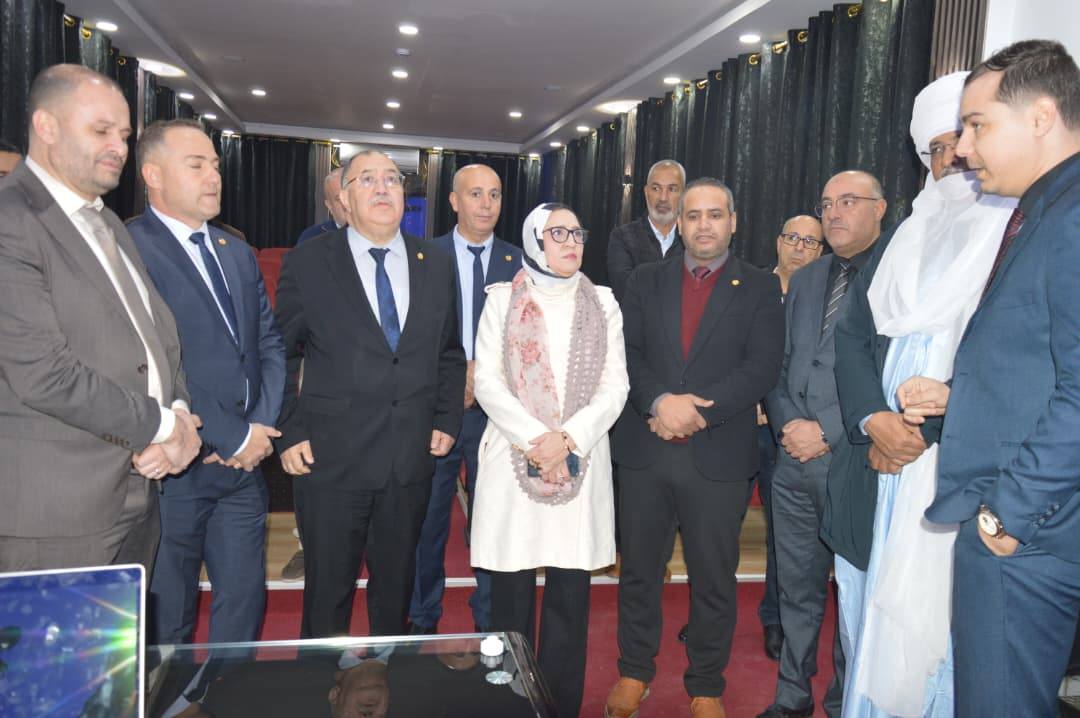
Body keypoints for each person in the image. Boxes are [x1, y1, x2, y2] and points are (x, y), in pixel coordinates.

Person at [896, 40, 1080, 718]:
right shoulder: (1050, 209)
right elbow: (1042, 365)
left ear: (1041, 116)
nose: (964, 149)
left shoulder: (1071, 215)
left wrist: (1007, 514)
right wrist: (958, 400)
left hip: (1031, 530)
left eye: (977, 125)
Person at [836, 72, 1016, 718]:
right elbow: (853, 336)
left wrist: (920, 432)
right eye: (935, 149)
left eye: (959, 142)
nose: (950, 160)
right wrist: (874, 419)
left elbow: (1010, 360)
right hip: (877, 466)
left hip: (957, 469)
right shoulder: (903, 236)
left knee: (942, 637)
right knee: (867, 622)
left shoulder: (1012, 235)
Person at [0, 64, 200, 573]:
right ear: (46, 126)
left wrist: (177, 410)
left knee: (124, 632)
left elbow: (158, 338)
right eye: (101, 131)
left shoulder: (106, 220)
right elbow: (44, 374)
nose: (119, 147)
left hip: (137, 488)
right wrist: (165, 426)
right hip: (54, 511)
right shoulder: (11, 220)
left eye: (125, 135)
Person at [606, 178, 785, 718]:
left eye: (715, 214)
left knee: (714, 577)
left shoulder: (759, 287)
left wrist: (696, 413)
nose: (704, 224)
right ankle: (634, 671)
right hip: (647, 446)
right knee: (639, 571)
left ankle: (706, 683)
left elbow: (761, 366)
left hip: (718, 454)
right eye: (693, 215)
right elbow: (626, 352)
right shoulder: (644, 279)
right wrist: (659, 403)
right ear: (679, 224)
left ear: (733, 222)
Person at [274, 150, 465, 639]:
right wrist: (289, 429)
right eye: (367, 180)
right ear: (344, 198)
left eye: (392, 180)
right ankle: (320, 680)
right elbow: (281, 353)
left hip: (409, 459)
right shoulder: (309, 262)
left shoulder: (435, 263)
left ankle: (387, 674)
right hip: (331, 459)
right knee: (327, 594)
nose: (382, 188)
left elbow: (449, 352)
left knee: (396, 590)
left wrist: (446, 418)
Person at [127, 118, 286, 645]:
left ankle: (224, 688)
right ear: (152, 174)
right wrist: (232, 436)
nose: (214, 177)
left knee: (243, 608)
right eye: (196, 165)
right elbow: (152, 364)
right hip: (174, 471)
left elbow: (268, 345)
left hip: (243, 469)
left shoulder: (235, 251)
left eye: (215, 165)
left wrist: (258, 428)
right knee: (167, 615)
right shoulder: (129, 250)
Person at [471, 202, 628, 718]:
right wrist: (541, 440)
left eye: (577, 233)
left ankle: (560, 706)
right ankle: (509, 705)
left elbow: (615, 387)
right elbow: (488, 383)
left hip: (582, 458)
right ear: (534, 240)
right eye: (557, 233)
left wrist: (568, 439)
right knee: (510, 596)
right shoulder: (502, 299)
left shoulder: (604, 303)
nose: (571, 243)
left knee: (569, 597)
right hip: (514, 457)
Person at [409, 164, 522, 635]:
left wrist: (484, 376)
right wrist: (456, 376)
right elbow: (411, 335)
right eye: (475, 194)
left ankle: (491, 622)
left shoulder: (521, 263)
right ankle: (421, 618)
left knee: (493, 520)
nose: (485, 204)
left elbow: (528, 341)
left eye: (494, 194)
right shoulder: (421, 256)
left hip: (497, 416)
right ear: (454, 201)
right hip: (436, 409)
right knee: (427, 519)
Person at [606, 159, 685, 302]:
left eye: (672, 189)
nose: (663, 197)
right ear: (646, 192)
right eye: (656, 188)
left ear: (684, 195)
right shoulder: (622, 237)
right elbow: (626, 292)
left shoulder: (691, 241)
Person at [295, 167, 348, 245]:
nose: (347, 203)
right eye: (339, 199)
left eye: (351, 196)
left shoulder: (368, 234)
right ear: (329, 206)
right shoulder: (311, 238)